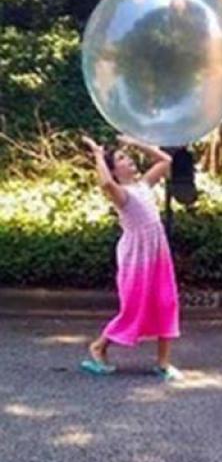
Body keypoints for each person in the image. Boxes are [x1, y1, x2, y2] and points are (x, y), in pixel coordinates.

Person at [80, 135, 182, 380]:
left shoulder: (143, 186)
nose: (129, 160)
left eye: (128, 156)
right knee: (134, 307)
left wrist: (136, 142)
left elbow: (165, 160)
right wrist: (97, 153)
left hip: (158, 254)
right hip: (136, 258)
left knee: (166, 302)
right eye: (122, 158)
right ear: (115, 170)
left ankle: (163, 363)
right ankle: (99, 346)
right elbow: (105, 183)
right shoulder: (121, 194)